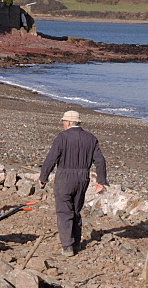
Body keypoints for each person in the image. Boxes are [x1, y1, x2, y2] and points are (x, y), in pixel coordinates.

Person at [39, 110, 108, 256]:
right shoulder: (91, 138)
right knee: (76, 210)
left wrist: (43, 177)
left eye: (64, 122)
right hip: (83, 177)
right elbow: (100, 160)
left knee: (64, 211)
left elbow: (51, 158)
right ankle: (76, 243)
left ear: (69, 122)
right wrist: (101, 180)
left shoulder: (62, 137)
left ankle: (67, 246)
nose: (63, 124)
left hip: (64, 176)